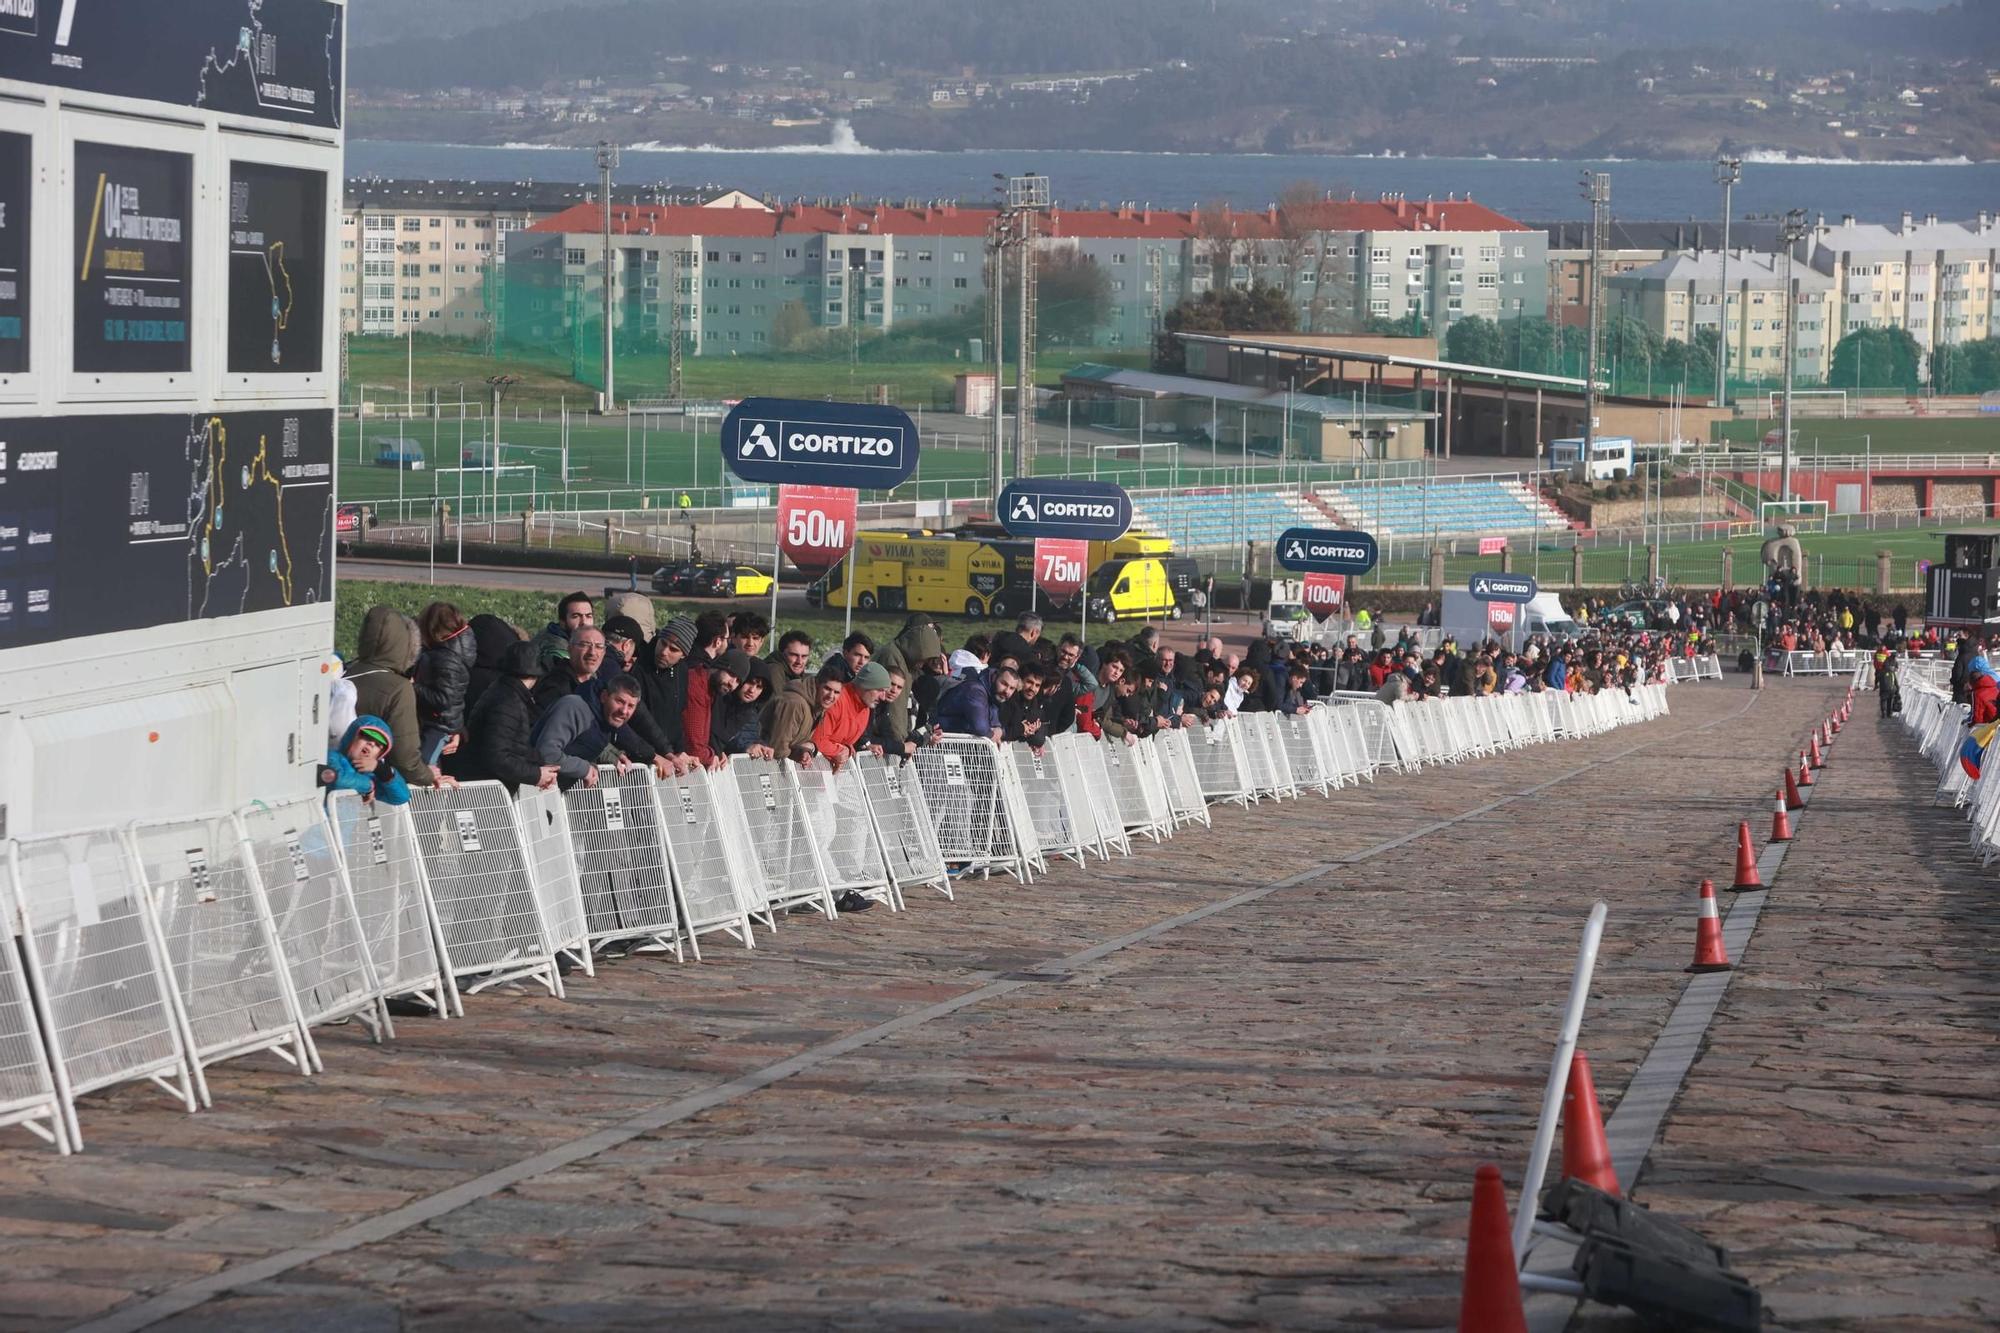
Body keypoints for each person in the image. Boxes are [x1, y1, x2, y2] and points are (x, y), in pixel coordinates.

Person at [344, 606, 450, 792]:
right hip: (376, 784)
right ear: (407, 645)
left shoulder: (344, 670)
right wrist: (427, 775)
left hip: (339, 777)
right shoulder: (399, 688)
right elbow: (405, 757)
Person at [460, 641, 562, 794]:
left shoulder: (503, 693)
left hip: (485, 785)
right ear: (535, 676)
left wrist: (538, 765)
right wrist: (536, 774)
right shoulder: (508, 702)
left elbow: (511, 747)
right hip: (488, 793)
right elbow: (497, 756)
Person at [532, 674, 650, 790]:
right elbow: (547, 753)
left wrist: (607, 757)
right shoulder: (575, 707)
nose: (624, 711)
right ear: (604, 696)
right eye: (619, 701)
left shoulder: (604, 724)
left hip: (549, 792)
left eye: (630, 706)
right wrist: (585, 769)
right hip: (529, 791)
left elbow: (577, 746)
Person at [682, 648, 755, 768]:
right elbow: (695, 748)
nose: (732, 683)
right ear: (720, 665)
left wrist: (716, 753)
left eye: (738, 681)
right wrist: (712, 755)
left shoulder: (710, 691)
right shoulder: (697, 687)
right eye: (731, 674)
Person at [813, 660, 892, 768]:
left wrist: (864, 746)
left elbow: (846, 741)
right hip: (810, 768)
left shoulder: (865, 708)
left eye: (885, 691)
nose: (883, 697)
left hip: (831, 768)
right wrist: (843, 750)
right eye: (879, 690)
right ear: (865, 685)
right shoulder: (836, 700)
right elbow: (818, 741)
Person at [319, 716, 411, 806]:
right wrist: (369, 787)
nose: (371, 744)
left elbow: (401, 797)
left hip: (341, 822)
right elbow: (338, 781)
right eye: (367, 737)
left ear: (380, 755)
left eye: (378, 744)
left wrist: (381, 769)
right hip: (321, 820)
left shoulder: (368, 776)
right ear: (351, 737)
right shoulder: (331, 756)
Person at [935, 663, 1018, 743]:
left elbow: (994, 724)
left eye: (1012, 688)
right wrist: (994, 734)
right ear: (994, 678)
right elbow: (980, 728)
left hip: (950, 739)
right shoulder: (976, 691)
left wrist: (999, 731)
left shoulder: (994, 696)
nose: (1007, 691)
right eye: (1004, 684)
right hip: (938, 736)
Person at [530, 591, 595, 672]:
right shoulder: (557, 654)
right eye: (576, 616)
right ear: (562, 622)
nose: (584, 622)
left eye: (588, 616)